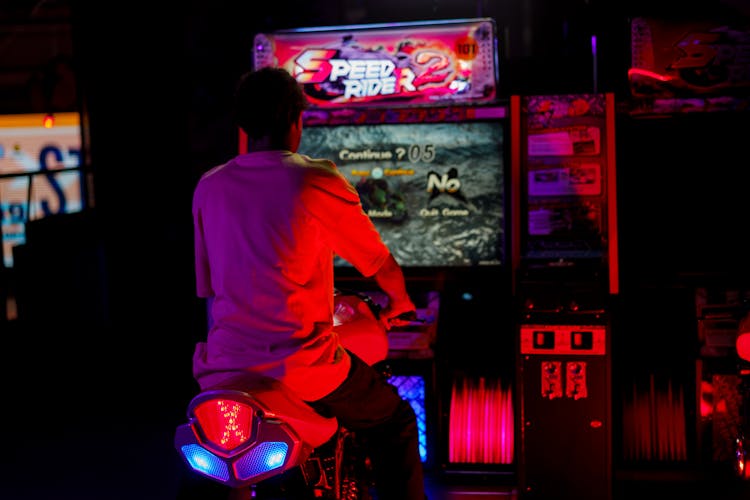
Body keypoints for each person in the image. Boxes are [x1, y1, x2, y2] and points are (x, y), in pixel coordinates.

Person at [190, 66, 425, 500]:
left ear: (243, 125)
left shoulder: (209, 187)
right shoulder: (313, 179)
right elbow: (379, 264)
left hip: (223, 370)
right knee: (396, 423)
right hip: (302, 370)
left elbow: (209, 289)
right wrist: (401, 300)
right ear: (296, 121)